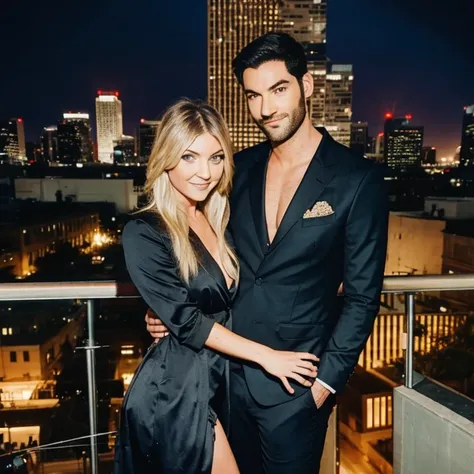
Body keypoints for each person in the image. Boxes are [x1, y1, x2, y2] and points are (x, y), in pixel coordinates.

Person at [146, 32, 389, 474]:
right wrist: (170, 309)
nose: (266, 108)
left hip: (297, 387)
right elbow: (204, 247)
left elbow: (362, 297)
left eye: (279, 89)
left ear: (307, 85)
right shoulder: (239, 168)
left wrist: (326, 382)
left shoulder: (358, 181)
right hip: (226, 376)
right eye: (254, 95)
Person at [113, 98, 319, 474]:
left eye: (216, 157)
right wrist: (267, 356)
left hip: (225, 380)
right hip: (177, 388)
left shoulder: (219, 221)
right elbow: (188, 321)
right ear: (166, 157)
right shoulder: (144, 231)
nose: (204, 172)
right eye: (189, 157)